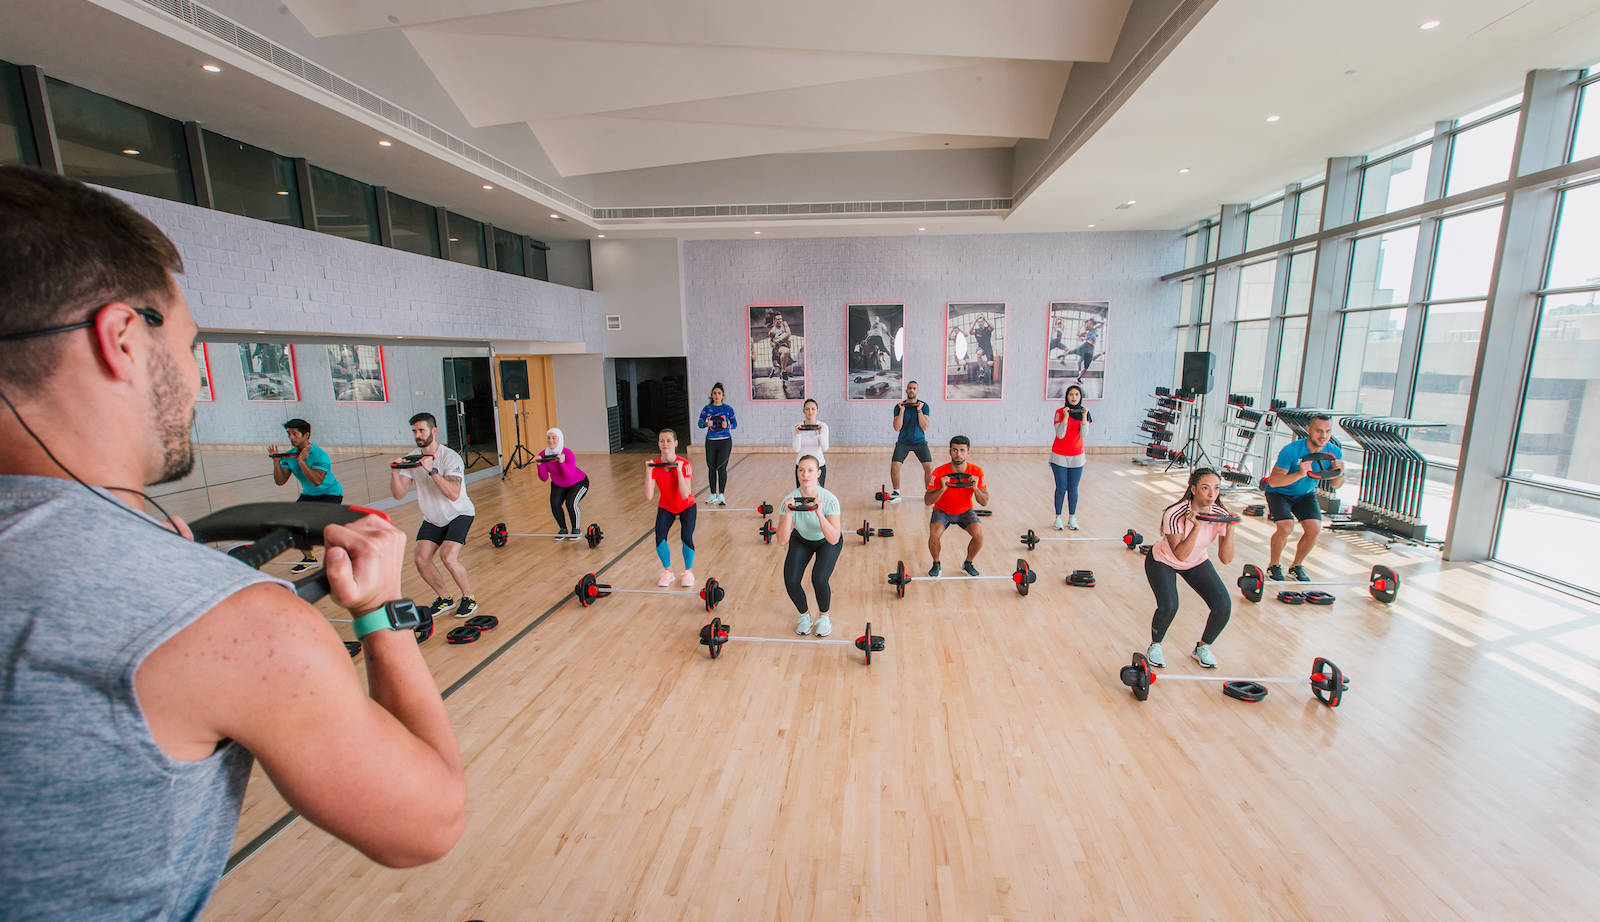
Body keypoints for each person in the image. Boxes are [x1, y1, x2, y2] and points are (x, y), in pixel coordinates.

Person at [0, 166, 463, 920]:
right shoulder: (233, 624)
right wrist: (381, 610)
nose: (193, 379)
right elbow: (429, 821)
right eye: (189, 346)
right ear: (121, 339)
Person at [1145, 468, 1236, 670]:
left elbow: (1226, 559)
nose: (1212, 494)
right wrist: (1196, 526)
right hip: (1163, 561)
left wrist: (1230, 528)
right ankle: (1155, 645)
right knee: (1169, 605)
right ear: (1193, 489)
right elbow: (1180, 555)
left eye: (1216, 488)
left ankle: (1202, 648)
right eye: (1205, 488)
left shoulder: (1220, 515)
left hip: (1196, 562)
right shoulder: (1174, 513)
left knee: (1223, 605)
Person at [390, 412, 478, 618]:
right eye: (414, 431)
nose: (417, 435)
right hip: (433, 517)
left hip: (459, 513)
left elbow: (453, 494)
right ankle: (445, 598)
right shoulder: (413, 457)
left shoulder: (450, 457)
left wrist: (433, 471)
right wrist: (395, 472)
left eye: (421, 430)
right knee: (421, 559)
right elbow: (398, 494)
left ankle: (469, 598)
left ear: (434, 431)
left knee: (448, 557)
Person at [1262, 414, 1345, 583]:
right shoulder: (1291, 450)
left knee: (1314, 529)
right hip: (1279, 493)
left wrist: (1340, 473)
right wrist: (1300, 473)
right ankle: (1273, 566)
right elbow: (1274, 481)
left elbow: (1336, 485)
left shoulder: (1334, 452)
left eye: (1328, 431)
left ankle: (1296, 567)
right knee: (1286, 527)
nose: (1323, 436)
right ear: (1309, 430)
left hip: (1305, 494)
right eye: (1319, 431)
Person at [269, 417, 344, 572]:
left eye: (294, 434)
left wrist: (302, 462)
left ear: (306, 435)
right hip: (309, 495)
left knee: (322, 529)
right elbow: (280, 481)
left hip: (330, 494)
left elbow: (317, 481)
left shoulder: (319, 454)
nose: (291, 438)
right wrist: (276, 461)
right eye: (289, 434)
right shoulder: (289, 455)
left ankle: (342, 555)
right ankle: (310, 559)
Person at [779, 455, 843, 637]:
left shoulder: (829, 499)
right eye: (801, 470)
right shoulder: (789, 499)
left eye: (810, 470)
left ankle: (824, 618)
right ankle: (805, 616)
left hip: (826, 541)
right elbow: (782, 540)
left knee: (819, 578)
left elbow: (834, 539)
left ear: (819, 473)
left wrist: (819, 513)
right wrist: (788, 513)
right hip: (801, 539)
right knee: (791, 580)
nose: (805, 474)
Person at [924, 435, 988, 577]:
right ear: (950, 451)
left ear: (968, 452)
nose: (958, 454)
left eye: (962, 450)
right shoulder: (938, 472)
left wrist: (976, 488)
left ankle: (968, 564)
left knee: (979, 535)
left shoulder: (977, 471)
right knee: (934, 534)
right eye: (955, 450)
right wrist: (942, 489)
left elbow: (984, 502)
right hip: (942, 510)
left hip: (965, 510)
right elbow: (927, 501)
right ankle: (936, 564)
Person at [646, 428, 697, 588]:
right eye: (662, 441)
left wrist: (679, 470)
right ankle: (668, 572)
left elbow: (685, 494)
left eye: (668, 441)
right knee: (660, 539)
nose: (665, 444)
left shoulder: (685, 464)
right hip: (666, 506)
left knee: (686, 537)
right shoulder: (655, 465)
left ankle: (688, 572)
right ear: (658, 444)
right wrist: (648, 471)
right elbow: (649, 496)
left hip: (686, 506)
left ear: (675, 443)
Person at [1049, 385, 1093, 531]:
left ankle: (1072, 518)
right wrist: (1066, 417)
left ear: (1080, 397)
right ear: (1067, 396)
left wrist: (1084, 417)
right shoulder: (1059, 412)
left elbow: (1083, 434)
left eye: (1076, 394)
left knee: (1073, 488)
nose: (1074, 397)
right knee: (1061, 487)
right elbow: (1060, 434)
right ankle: (1058, 518)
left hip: (1077, 457)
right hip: (1059, 456)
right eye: (1071, 394)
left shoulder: (1085, 413)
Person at [535, 427, 588, 540]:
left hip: (578, 482)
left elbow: (569, 476)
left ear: (560, 439)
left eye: (554, 438)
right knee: (555, 504)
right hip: (558, 483)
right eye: (548, 438)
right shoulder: (543, 454)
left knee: (570, 503)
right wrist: (539, 465)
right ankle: (563, 529)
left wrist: (562, 462)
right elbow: (544, 478)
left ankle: (576, 530)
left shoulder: (567, 453)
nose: (550, 441)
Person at [888, 380, 932, 503]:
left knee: (929, 467)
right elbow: (897, 427)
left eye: (914, 388)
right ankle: (896, 492)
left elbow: (924, 426)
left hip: (920, 442)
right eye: (910, 388)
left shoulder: (924, 406)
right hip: (903, 442)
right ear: (906, 390)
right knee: (895, 466)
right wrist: (902, 411)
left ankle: (929, 492)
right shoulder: (899, 407)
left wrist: (919, 410)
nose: (912, 390)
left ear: (917, 391)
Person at [696, 382, 736, 505]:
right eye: (714, 393)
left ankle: (721, 495)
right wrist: (705, 424)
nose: (717, 395)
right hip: (710, 442)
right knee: (711, 467)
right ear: (712, 395)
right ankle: (712, 494)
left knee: (721, 467)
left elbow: (735, 424)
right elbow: (699, 424)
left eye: (719, 393)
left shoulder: (728, 409)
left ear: (723, 395)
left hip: (725, 441)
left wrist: (727, 425)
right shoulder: (707, 409)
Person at [791, 397, 830, 487]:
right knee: (801, 492)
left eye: (813, 409)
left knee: (818, 493)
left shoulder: (823, 426)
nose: (810, 412)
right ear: (803, 411)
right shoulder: (797, 427)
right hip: (801, 466)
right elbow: (796, 449)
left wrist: (820, 434)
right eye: (807, 409)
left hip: (818, 465)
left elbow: (825, 448)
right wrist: (798, 434)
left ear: (817, 411)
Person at [970, 315, 995, 384]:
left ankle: (989, 377)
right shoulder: (976, 331)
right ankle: (981, 369)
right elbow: (970, 332)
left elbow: (993, 327)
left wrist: (986, 319)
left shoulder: (988, 329)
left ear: (984, 322)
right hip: (981, 347)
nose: (980, 323)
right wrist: (975, 321)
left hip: (988, 348)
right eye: (978, 322)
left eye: (981, 322)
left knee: (990, 363)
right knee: (979, 353)